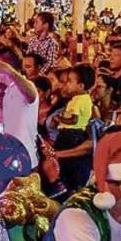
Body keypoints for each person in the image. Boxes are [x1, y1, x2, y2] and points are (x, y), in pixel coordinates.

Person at [0, 54, 39, 168]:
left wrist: (9, 71)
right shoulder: (8, 91)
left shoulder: (26, 85)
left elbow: (32, 95)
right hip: (11, 157)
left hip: (25, 158)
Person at [49, 64, 95, 193]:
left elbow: (73, 119)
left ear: (81, 86)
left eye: (70, 81)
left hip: (71, 135)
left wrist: (60, 119)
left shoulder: (77, 100)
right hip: (76, 134)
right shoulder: (84, 99)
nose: (67, 85)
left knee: (64, 163)